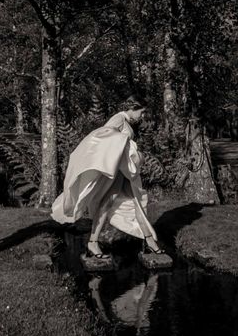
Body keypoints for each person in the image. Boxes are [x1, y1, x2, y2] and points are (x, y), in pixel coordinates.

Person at [51, 95, 164, 259]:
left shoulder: (125, 121)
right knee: (112, 202)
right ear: (133, 108)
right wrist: (133, 150)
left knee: (135, 202)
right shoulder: (118, 119)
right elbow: (102, 136)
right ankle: (94, 241)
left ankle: (148, 240)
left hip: (122, 171)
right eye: (142, 112)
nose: (143, 116)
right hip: (117, 172)